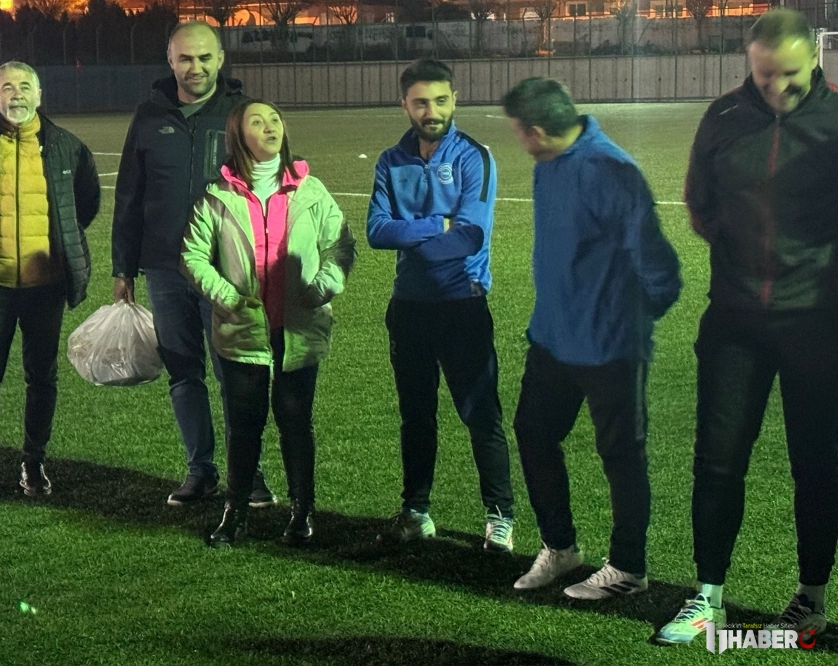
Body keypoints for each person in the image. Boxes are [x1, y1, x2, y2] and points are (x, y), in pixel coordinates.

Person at [657, 8, 838, 644]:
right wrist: (742, 259)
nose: (777, 89)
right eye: (764, 77)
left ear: (815, 60)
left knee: (817, 463)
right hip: (734, 320)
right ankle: (707, 598)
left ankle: (810, 599)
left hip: (818, 324)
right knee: (717, 460)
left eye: (790, 76)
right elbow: (698, 201)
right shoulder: (723, 116)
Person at [503, 78, 681, 598]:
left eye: (518, 130)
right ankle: (561, 548)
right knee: (533, 432)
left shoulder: (609, 169)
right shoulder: (548, 164)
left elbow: (659, 265)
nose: (519, 140)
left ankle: (627, 568)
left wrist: (626, 320)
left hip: (609, 345)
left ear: (536, 131)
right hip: (552, 338)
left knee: (621, 455)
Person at [112, 21, 276, 508]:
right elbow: (129, 195)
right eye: (185, 58)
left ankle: (248, 474)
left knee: (235, 375)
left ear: (221, 58)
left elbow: (272, 189)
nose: (196, 67)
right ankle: (200, 470)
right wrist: (123, 268)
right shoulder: (148, 116)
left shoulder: (242, 114)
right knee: (184, 373)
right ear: (170, 61)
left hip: (227, 270)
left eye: (205, 57)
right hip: (165, 269)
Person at [181, 100, 355, 547]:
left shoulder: (311, 190)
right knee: (244, 425)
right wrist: (226, 297)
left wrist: (321, 288)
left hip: (298, 330)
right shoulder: (217, 196)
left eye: (274, 119)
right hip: (242, 330)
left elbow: (340, 246)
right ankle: (235, 513)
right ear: (238, 136)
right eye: (257, 122)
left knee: (296, 422)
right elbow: (193, 256)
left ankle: (302, 513)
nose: (270, 127)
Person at [367, 58, 515, 550]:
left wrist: (411, 236)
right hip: (408, 308)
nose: (431, 111)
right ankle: (416, 511)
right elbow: (376, 231)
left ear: (455, 100)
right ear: (404, 105)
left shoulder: (474, 157)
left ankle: (500, 516)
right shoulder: (391, 160)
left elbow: (469, 236)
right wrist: (437, 225)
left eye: (440, 100)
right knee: (416, 416)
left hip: (461, 305)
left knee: (481, 414)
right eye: (421, 102)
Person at [0, 61, 100, 503]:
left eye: (25, 86)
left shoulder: (67, 146)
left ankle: (33, 462)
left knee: (41, 377)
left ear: (39, 94)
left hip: (45, 286)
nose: (17, 94)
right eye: (7, 87)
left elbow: (84, 205)